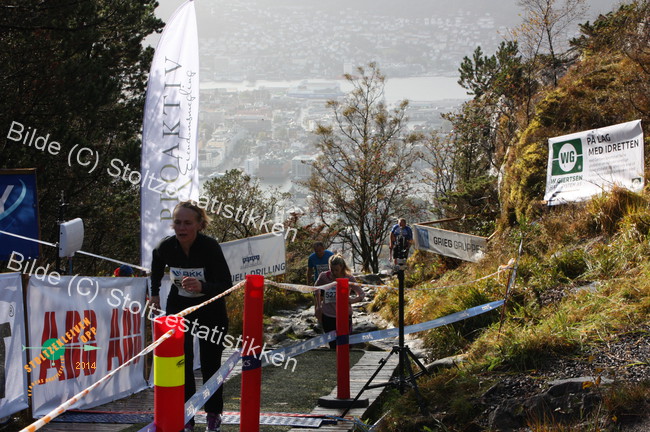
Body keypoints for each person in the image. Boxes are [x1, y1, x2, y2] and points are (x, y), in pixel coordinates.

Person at [149, 201, 232, 432]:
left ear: (199, 225)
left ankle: (213, 415)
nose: (181, 228)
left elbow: (226, 284)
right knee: (180, 364)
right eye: (177, 222)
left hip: (210, 308)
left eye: (187, 223)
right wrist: (154, 294)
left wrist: (202, 286)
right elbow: (156, 266)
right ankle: (187, 416)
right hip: (180, 308)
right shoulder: (166, 246)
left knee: (210, 364)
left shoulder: (210, 247)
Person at [314, 254, 365, 349]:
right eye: (332, 269)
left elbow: (361, 294)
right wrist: (318, 306)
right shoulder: (324, 276)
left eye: (336, 270)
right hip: (327, 315)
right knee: (332, 344)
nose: (334, 272)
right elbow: (316, 289)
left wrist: (351, 301)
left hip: (344, 315)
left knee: (345, 344)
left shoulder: (349, 278)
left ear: (342, 267)